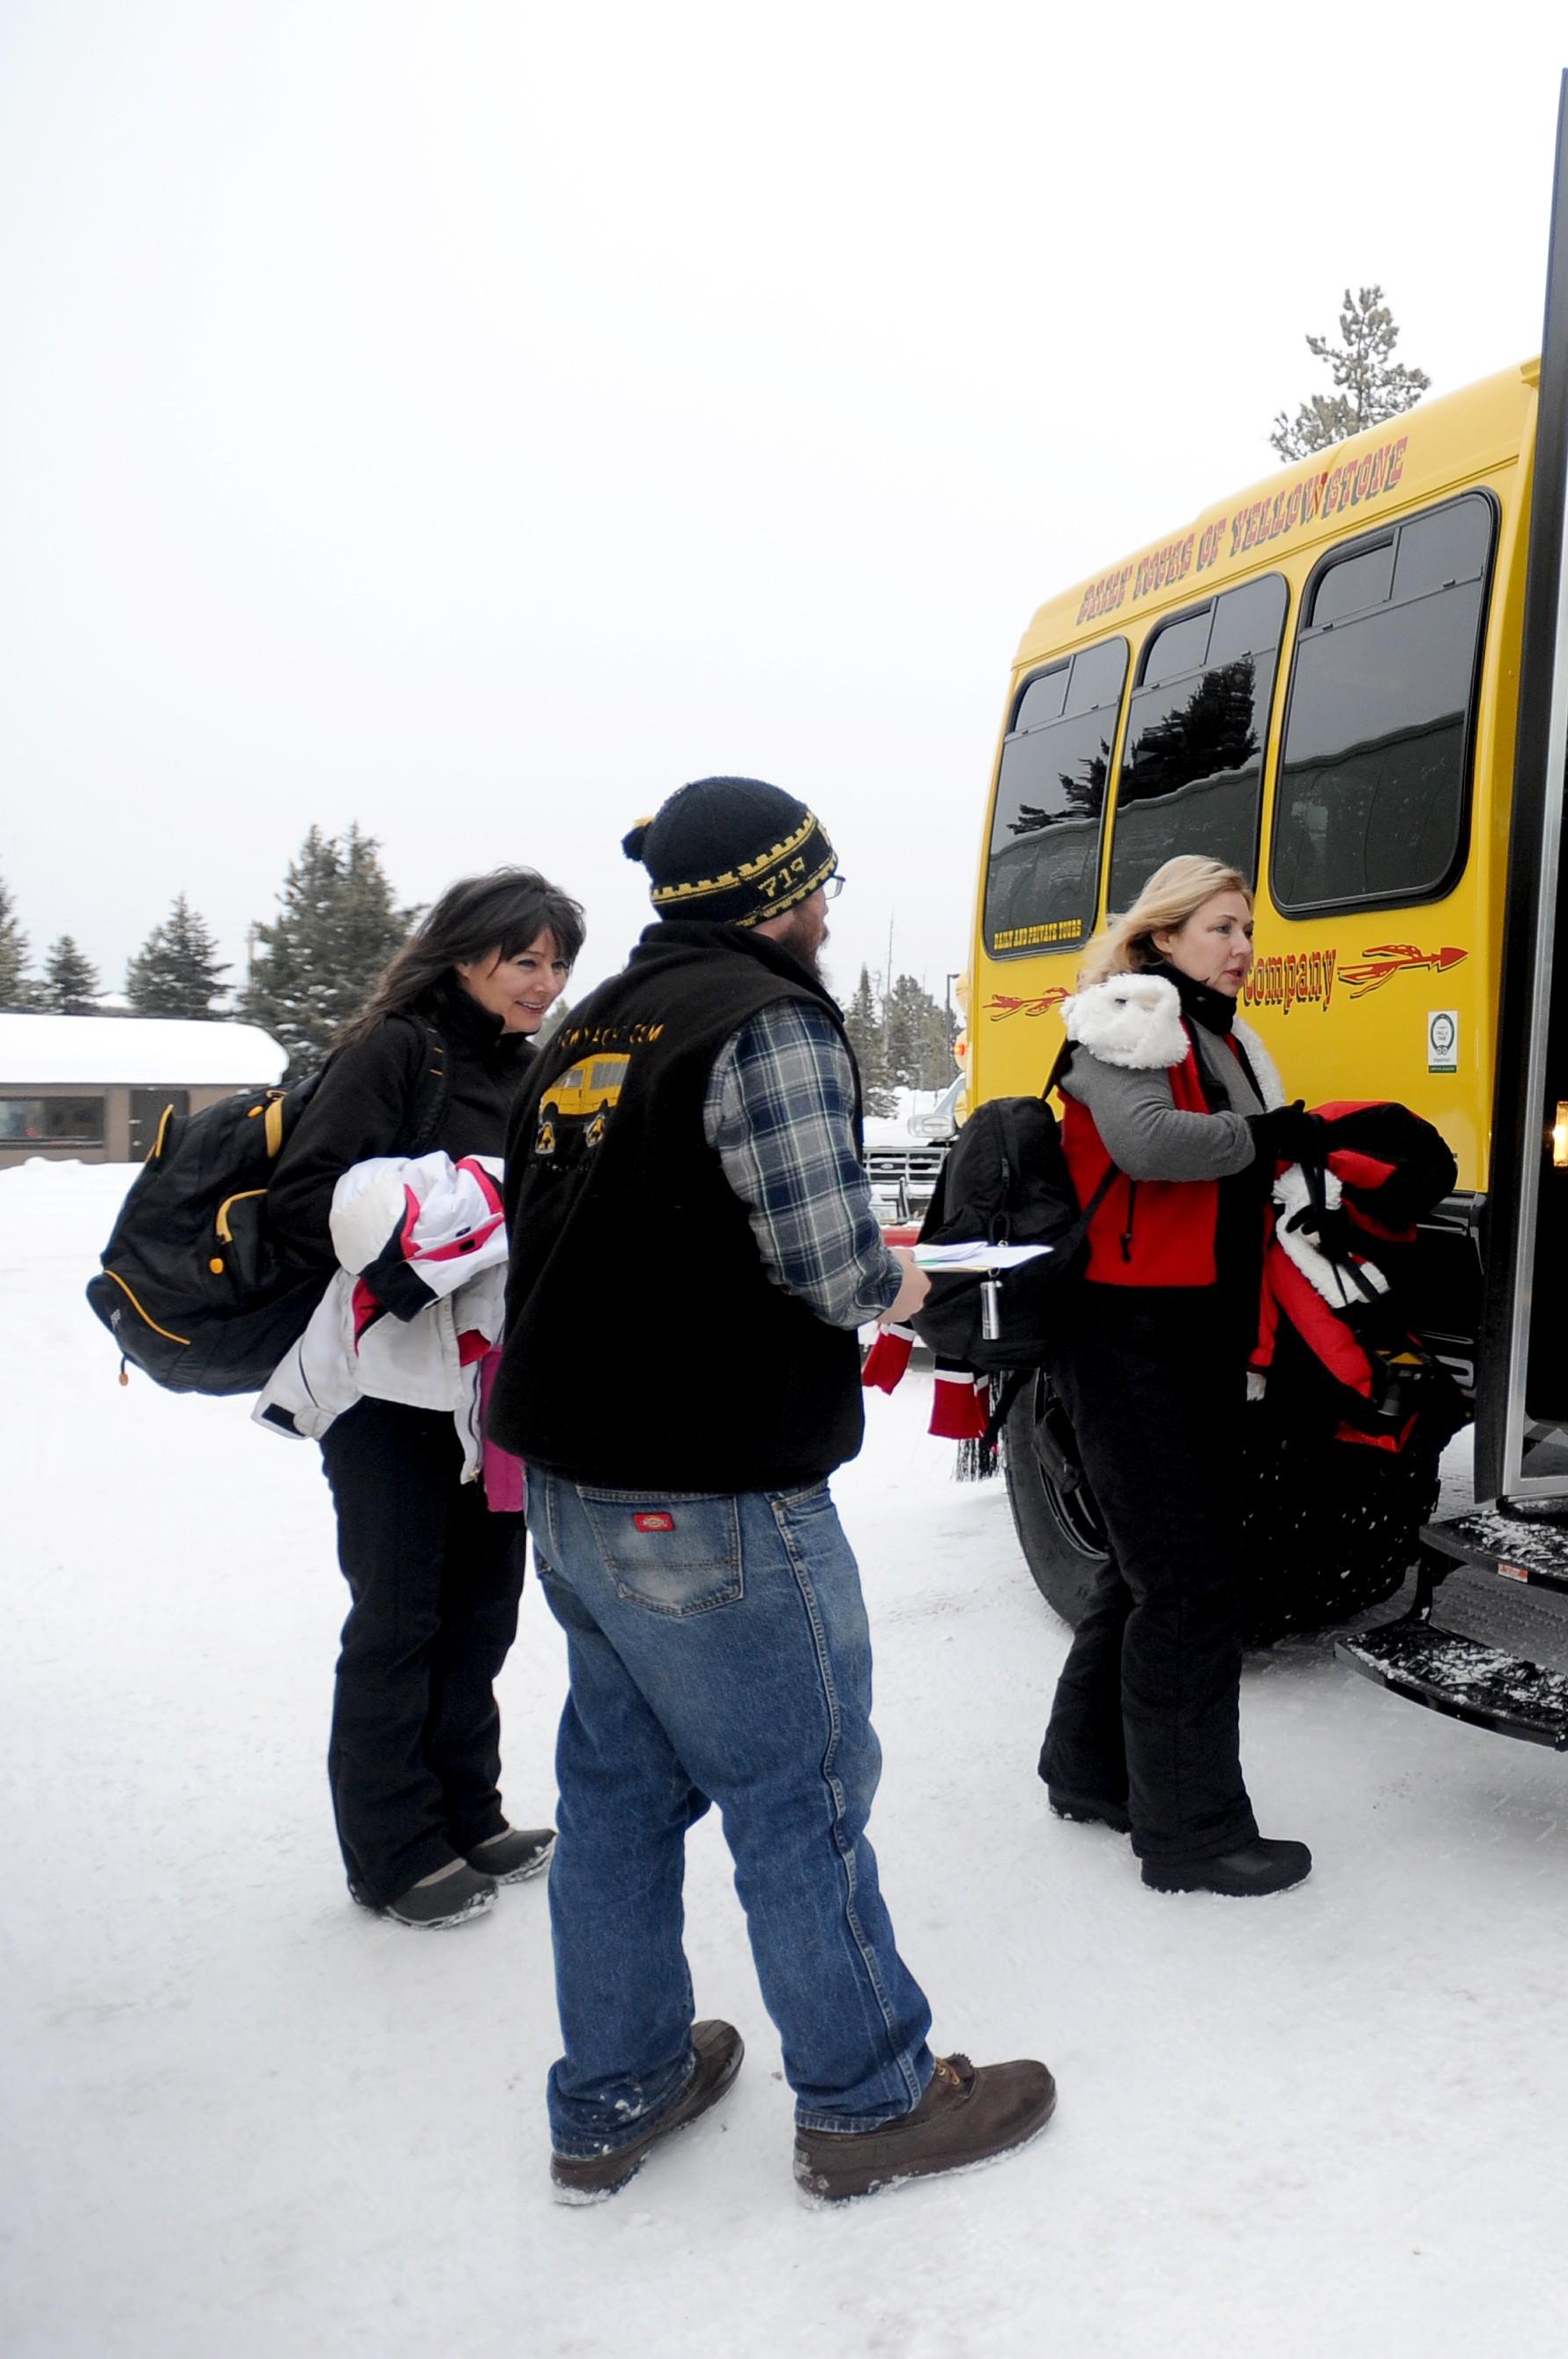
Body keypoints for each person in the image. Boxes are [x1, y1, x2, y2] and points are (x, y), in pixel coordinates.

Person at [490, 776, 1053, 2205]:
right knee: (795, 1790)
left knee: (615, 1791)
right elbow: (825, 1260)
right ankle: (868, 2098)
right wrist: (916, 1283)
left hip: (569, 1478)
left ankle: (615, 2085)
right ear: (777, 894)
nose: (824, 911)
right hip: (708, 1490)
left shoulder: (591, 1031)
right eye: (819, 886)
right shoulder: (768, 1022)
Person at [259, 868, 584, 1931]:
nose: (546, 981)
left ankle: (468, 1813)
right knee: (400, 1615)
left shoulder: (531, 1068)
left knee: (482, 1611)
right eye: (525, 960)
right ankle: (392, 1851)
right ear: (464, 956)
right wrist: (443, 1215)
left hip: (487, 1389)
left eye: (557, 962)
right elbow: (309, 1202)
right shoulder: (398, 1049)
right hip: (384, 1388)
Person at [1039, 852, 1321, 1897]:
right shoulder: (1127, 1015)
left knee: (1148, 1565)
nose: (1243, 949)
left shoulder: (1218, 1032)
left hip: (1191, 1332)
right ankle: (1191, 1832)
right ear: (1160, 936)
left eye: (1248, 929)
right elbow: (1150, 1144)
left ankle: (1089, 1770)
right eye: (1219, 928)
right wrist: (1270, 1135)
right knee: (1190, 1585)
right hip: (1127, 1337)